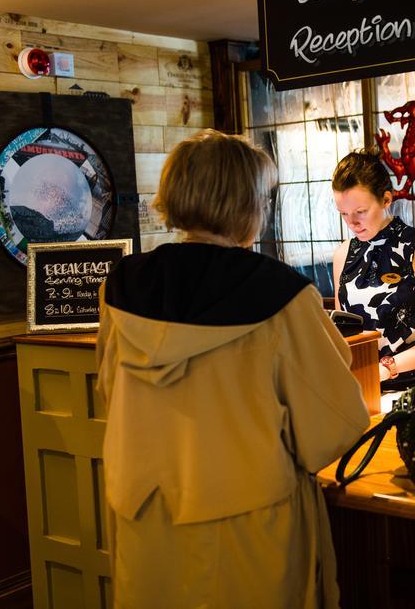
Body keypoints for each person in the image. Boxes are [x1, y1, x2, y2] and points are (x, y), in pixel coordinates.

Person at [96, 130, 370, 608]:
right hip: (246, 522)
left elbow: (108, 389)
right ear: (247, 203)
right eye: (264, 198)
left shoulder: (122, 287)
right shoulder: (280, 294)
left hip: (145, 513)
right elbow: (333, 425)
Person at [331, 150, 415, 392]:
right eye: (344, 214)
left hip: (412, 386)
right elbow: (345, 331)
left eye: (360, 212)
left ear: (386, 199)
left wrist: (386, 369)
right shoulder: (342, 255)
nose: (352, 223)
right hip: (359, 387)